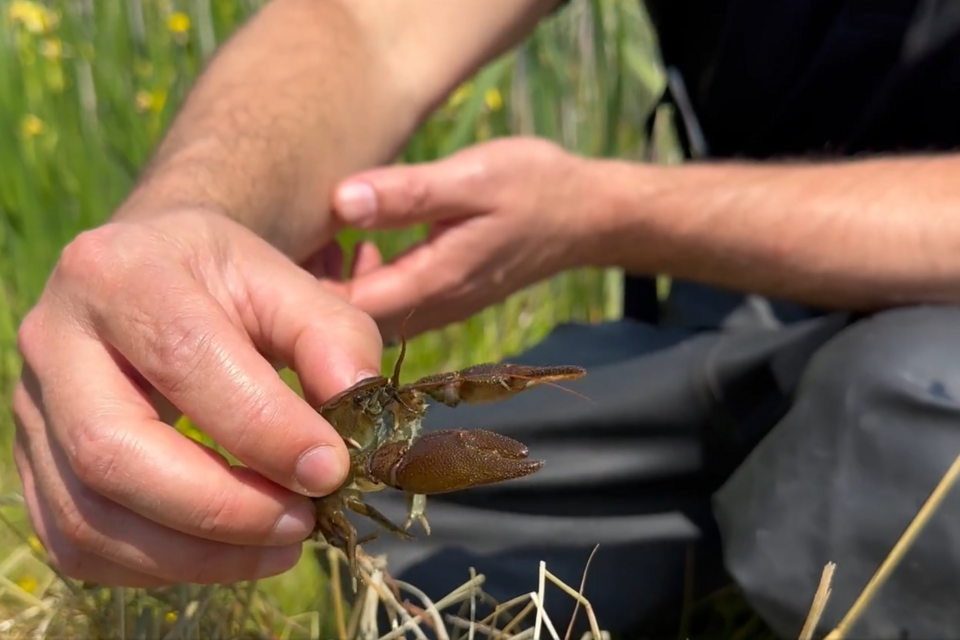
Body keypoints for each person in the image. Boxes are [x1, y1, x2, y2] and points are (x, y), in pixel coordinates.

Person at [13, 0, 960, 636]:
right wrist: (182, 223)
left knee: (892, 436)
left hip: (928, 351)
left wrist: (607, 214)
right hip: (740, 317)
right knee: (449, 561)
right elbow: (365, 24)